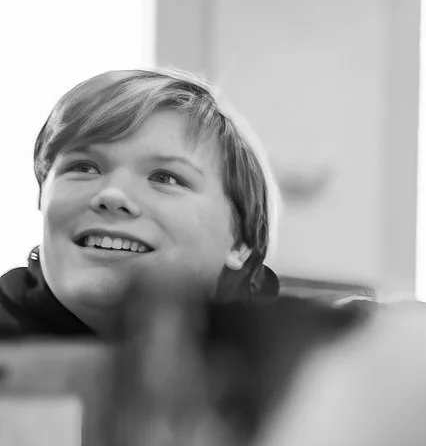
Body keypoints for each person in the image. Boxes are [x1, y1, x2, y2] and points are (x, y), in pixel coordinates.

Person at [2, 69, 282, 339]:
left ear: (240, 243)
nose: (112, 195)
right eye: (84, 167)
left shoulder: (302, 368)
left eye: (166, 177)